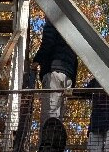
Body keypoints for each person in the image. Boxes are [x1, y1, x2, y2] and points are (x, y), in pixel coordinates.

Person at [33, 19, 77, 152]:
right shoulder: (72, 31)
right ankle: (56, 147)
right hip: (68, 76)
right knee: (58, 118)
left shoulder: (53, 21)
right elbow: (76, 58)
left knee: (49, 116)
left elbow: (48, 42)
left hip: (54, 72)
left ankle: (47, 148)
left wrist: (36, 60)